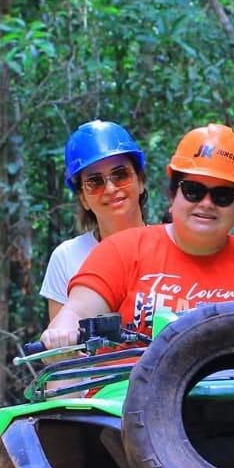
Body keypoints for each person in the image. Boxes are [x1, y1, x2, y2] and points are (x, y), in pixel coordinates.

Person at [39, 123, 234, 349]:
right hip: (132, 405)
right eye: (194, 190)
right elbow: (75, 314)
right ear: (173, 194)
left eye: (222, 195)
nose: (206, 203)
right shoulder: (119, 252)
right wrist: (61, 334)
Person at [41, 120, 149, 322]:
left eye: (120, 175)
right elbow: (60, 351)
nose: (110, 189)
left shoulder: (168, 246)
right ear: (83, 198)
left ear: (140, 181)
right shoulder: (67, 257)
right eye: (95, 182)